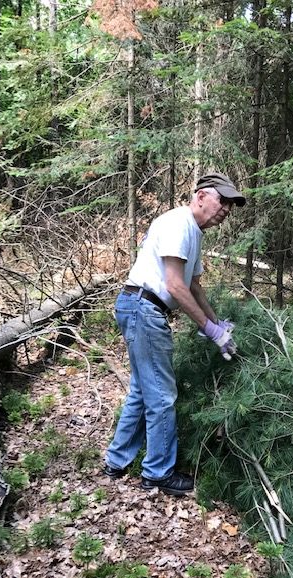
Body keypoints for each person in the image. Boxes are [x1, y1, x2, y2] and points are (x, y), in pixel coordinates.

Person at [103, 172, 246, 496]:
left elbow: (194, 285)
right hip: (143, 308)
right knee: (162, 396)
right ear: (201, 196)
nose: (225, 209)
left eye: (230, 205)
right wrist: (209, 330)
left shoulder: (194, 233)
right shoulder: (177, 224)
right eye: (221, 200)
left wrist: (217, 322)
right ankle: (157, 474)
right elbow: (174, 285)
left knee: (143, 390)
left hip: (141, 308)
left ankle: (116, 461)